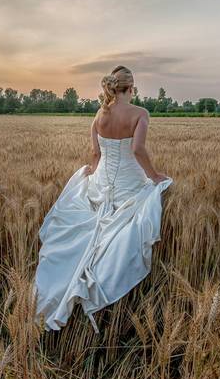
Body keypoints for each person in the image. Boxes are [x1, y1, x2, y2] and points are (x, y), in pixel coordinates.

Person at [33, 65, 172, 332]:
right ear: (131, 88)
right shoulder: (140, 114)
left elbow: (95, 154)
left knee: (86, 228)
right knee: (150, 201)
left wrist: (93, 173)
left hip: (102, 183)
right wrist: (154, 176)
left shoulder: (99, 114)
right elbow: (138, 149)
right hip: (128, 185)